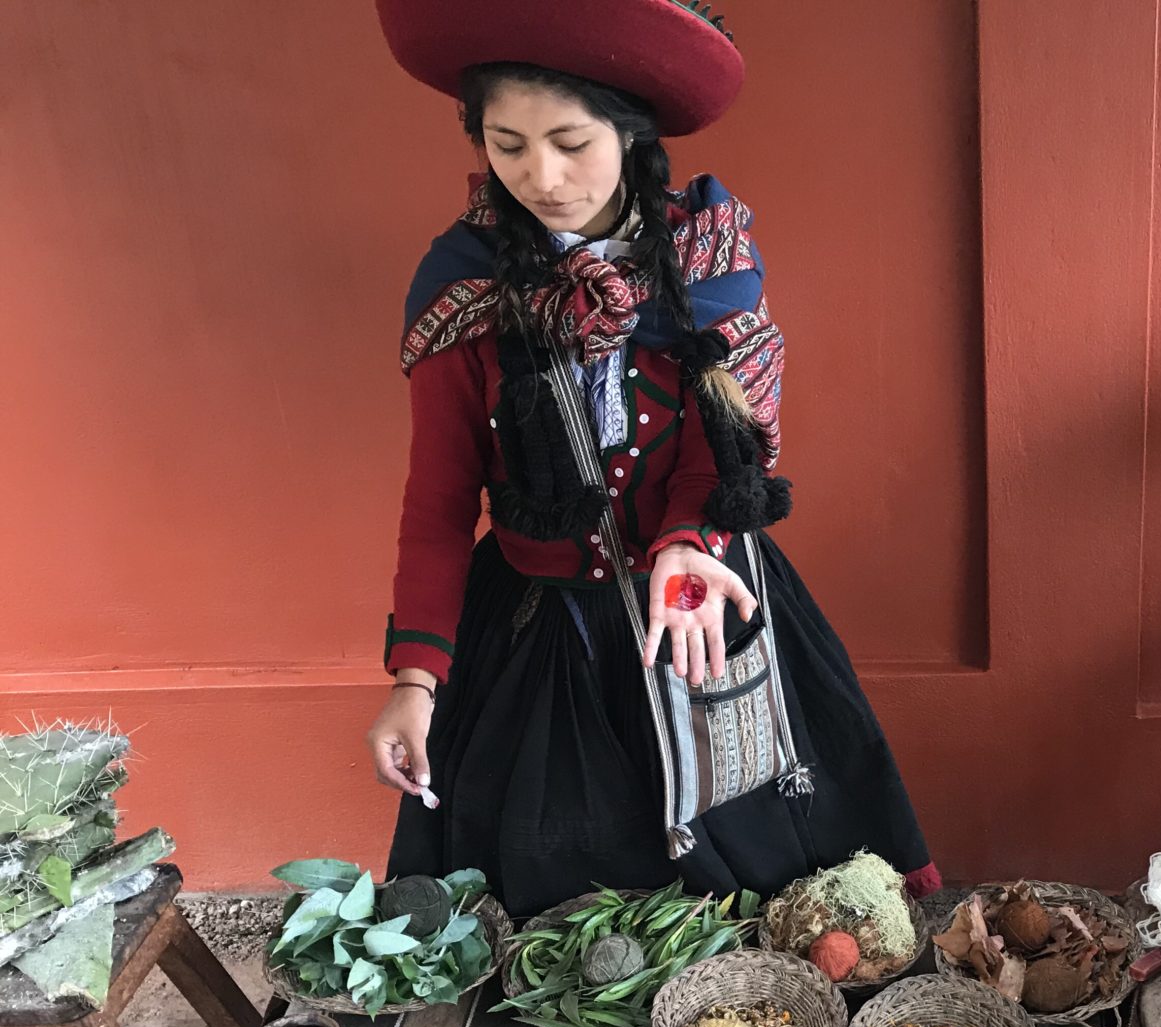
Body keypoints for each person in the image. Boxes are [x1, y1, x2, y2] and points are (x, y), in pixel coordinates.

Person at [365, 0, 938, 917]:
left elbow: (729, 442)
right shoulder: (462, 289)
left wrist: (687, 542)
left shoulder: (706, 263)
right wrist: (414, 680)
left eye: (570, 141)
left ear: (628, 133)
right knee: (561, 887)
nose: (541, 177)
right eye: (508, 145)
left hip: (701, 593)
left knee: (767, 874)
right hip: (542, 627)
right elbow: (436, 503)